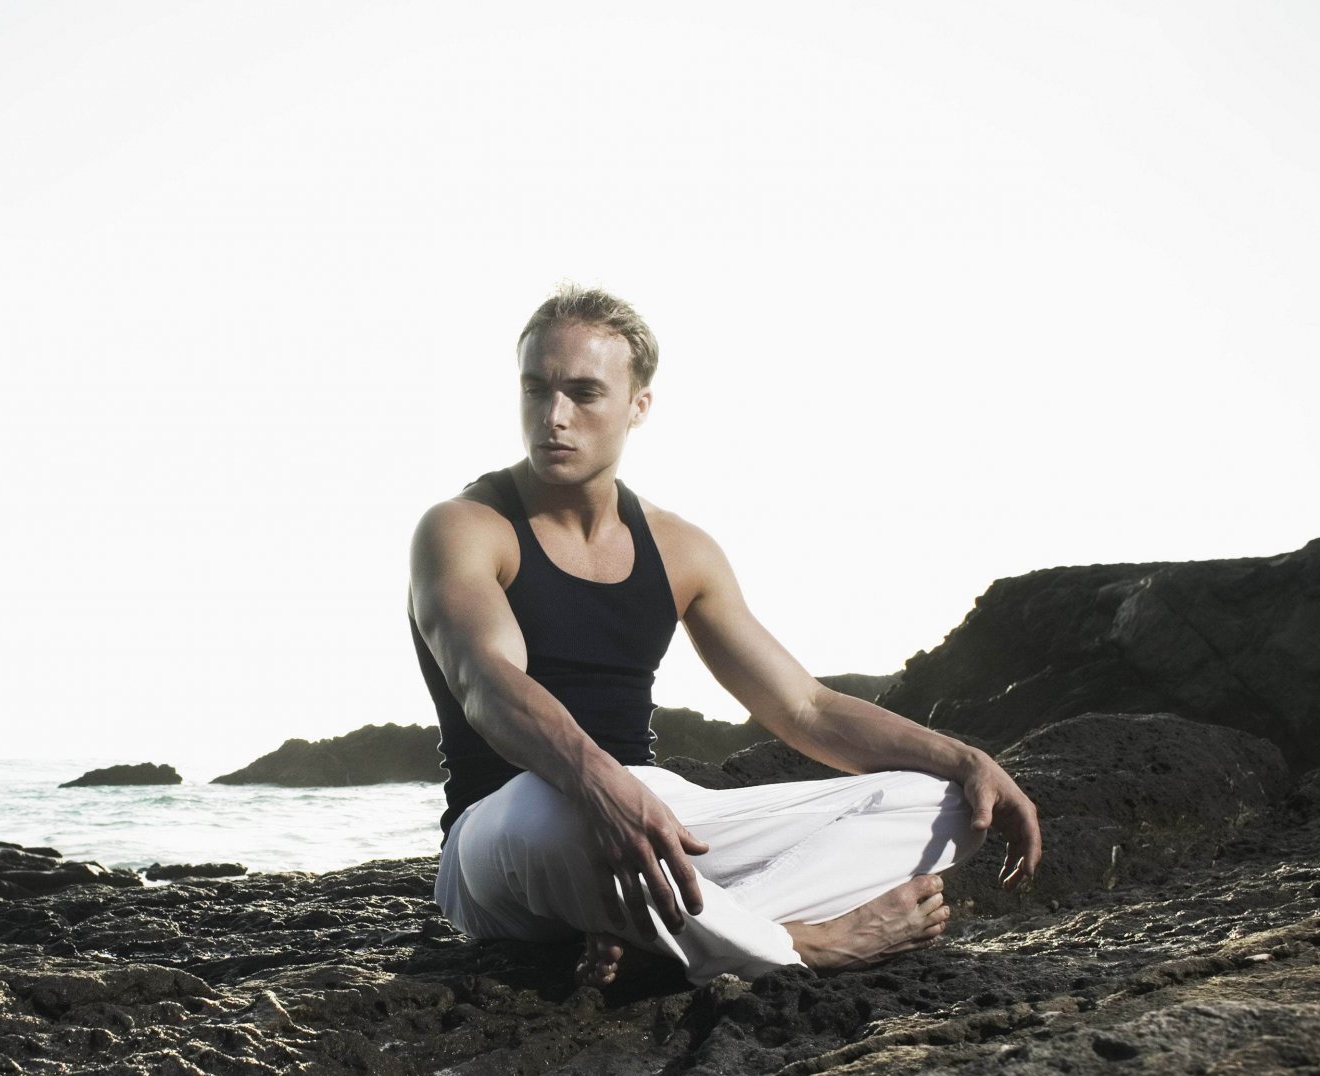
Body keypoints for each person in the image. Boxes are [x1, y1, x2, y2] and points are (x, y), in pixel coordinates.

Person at [408, 285, 1042, 988]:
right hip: (508, 837)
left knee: (947, 802)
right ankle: (805, 943)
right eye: (537, 389)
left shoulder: (682, 549)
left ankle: (666, 942)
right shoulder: (464, 527)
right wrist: (598, 783)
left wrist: (965, 757)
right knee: (545, 803)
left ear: (637, 405)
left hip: (654, 817)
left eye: (584, 393)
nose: (554, 417)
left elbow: (804, 708)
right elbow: (485, 679)